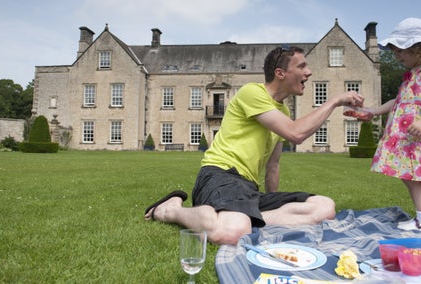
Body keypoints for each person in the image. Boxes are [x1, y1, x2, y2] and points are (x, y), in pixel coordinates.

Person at [145, 45, 365, 245]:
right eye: (302, 66)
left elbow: (273, 166)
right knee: (231, 233)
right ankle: (171, 210)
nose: (308, 72)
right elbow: (296, 133)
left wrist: (274, 201)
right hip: (220, 175)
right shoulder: (252, 92)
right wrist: (335, 101)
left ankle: (237, 219)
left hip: (248, 190)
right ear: (280, 73)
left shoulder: (284, 111)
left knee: (324, 208)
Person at [362, 18, 421, 232]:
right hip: (410, 136)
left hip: (420, 134)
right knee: (409, 177)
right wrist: (373, 111)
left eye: (400, 50)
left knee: (414, 178)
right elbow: (399, 100)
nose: (396, 55)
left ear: (419, 48)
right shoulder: (412, 75)